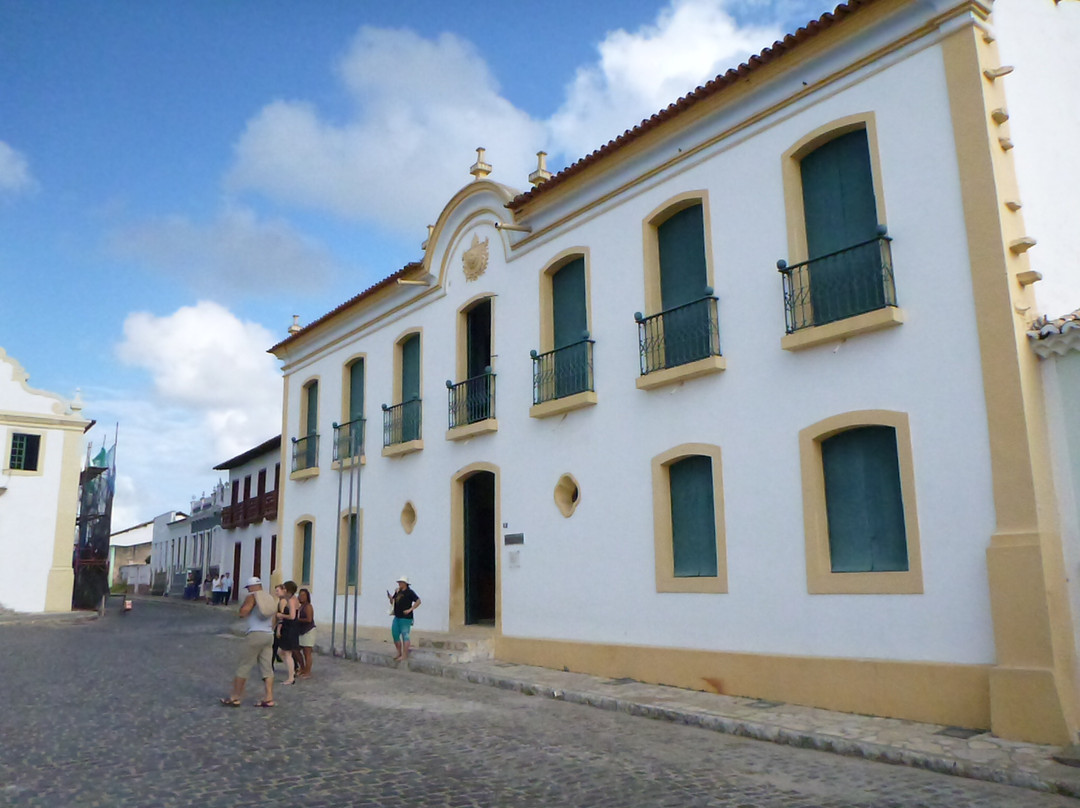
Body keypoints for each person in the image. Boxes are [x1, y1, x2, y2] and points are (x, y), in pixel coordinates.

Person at [220, 576, 277, 708]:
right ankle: (269, 697)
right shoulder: (269, 597)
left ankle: (235, 697)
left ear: (251, 587)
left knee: (244, 665)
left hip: (255, 634)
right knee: (267, 667)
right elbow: (274, 617)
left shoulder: (252, 596)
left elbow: (243, 612)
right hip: (269, 635)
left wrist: (242, 610)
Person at [387, 575, 420, 662]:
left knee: (405, 635)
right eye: (399, 583)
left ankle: (404, 655)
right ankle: (399, 652)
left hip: (406, 618)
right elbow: (393, 602)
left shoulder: (410, 592)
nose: (399, 584)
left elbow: (418, 601)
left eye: (401, 583)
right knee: (395, 634)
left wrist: (410, 609)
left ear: (405, 584)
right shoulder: (398, 592)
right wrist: (390, 598)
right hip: (397, 616)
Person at [276, 580, 301, 685]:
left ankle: (291, 677)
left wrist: (281, 616)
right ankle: (292, 672)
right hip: (292, 628)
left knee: (287, 653)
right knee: (283, 652)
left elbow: (292, 616)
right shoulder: (294, 599)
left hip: (290, 628)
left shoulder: (291, 600)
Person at [297, 588, 316, 678]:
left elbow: (309, 619)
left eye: (303, 595)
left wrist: (297, 620)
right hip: (301, 631)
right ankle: (302, 667)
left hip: (308, 631)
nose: (301, 597)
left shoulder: (308, 606)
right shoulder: (300, 606)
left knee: (307, 652)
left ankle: (307, 672)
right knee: (295, 650)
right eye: (300, 595)